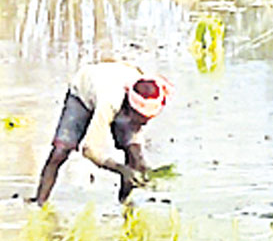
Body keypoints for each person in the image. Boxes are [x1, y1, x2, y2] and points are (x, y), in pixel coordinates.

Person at [32, 61, 171, 206]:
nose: (144, 123)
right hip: (83, 93)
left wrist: (143, 168)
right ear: (130, 109)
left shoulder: (147, 91)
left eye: (148, 118)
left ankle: (126, 205)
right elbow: (90, 150)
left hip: (119, 88)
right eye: (141, 118)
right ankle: (40, 203)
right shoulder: (110, 101)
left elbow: (136, 146)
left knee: (134, 156)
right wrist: (121, 169)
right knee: (60, 152)